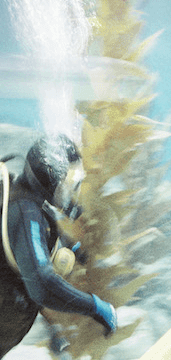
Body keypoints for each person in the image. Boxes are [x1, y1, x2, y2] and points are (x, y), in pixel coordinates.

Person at [0, 134, 116, 358]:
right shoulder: (25, 213)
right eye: (70, 183)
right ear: (51, 177)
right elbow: (42, 285)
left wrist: (54, 328)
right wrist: (94, 307)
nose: (73, 191)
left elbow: (21, 269)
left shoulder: (32, 205)